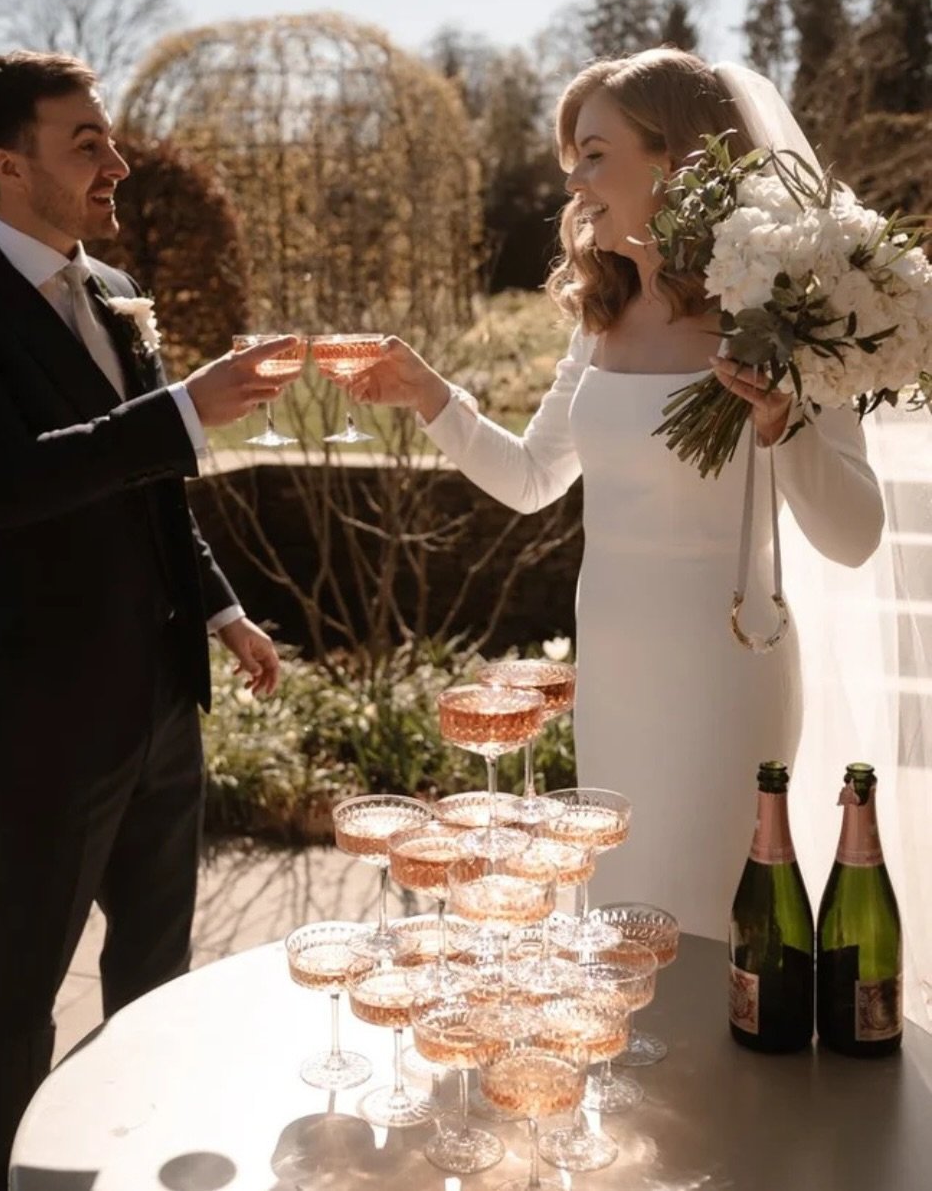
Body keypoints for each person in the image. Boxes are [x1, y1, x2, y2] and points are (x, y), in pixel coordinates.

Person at [350, 48, 885, 941]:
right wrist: (429, 396)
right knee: (622, 932)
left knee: (715, 933)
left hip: (723, 668)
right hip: (613, 672)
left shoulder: (786, 308)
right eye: (571, 164)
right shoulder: (602, 316)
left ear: (677, 158)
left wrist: (782, 426)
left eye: (594, 155)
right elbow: (530, 480)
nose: (577, 184)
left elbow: (855, 536)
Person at [0, 51, 300, 1191]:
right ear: (9, 166)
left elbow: (148, 488)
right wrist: (180, 409)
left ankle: (131, 1148)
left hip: (163, 697)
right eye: (87, 143)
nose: (116, 161)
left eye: (109, 137)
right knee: (19, 986)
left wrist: (219, 608)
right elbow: (6, 485)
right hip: (38, 722)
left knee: (158, 964)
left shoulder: (117, 292)